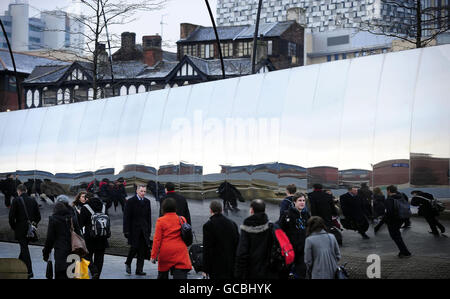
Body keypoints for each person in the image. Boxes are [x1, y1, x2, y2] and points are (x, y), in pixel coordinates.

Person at [235, 199, 279, 279]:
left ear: (251, 210)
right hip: (268, 270)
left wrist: (239, 274)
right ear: (265, 210)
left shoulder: (246, 229)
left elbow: (242, 254)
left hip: (251, 271)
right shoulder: (272, 227)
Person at [150, 197, 192, 279]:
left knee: (162, 275)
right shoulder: (182, 219)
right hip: (180, 251)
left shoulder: (160, 221)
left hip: (166, 252)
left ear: (163, 208)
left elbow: (157, 240)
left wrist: (153, 256)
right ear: (175, 208)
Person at [42, 195, 81, 279]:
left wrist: (46, 252)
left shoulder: (54, 219)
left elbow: (50, 239)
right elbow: (79, 235)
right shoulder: (73, 217)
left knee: (61, 275)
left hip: (61, 253)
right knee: (72, 275)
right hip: (73, 252)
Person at [8, 184, 41, 278]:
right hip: (30, 230)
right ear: (26, 190)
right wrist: (33, 226)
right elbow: (38, 217)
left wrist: (15, 227)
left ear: (18, 191)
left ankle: (29, 271)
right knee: (24, 248)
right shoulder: (33, 200)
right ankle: (17, 267)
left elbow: (11, 218)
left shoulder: (16, 200)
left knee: (24, 249)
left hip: (20, 229)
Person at [202, 200, 240, 279]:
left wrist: (205, 268)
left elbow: (207, 248)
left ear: (211, 210)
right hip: (230, 263)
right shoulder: (232, 223)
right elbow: (237, 243)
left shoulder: (208, 225)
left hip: (216, 265)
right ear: (221, 210)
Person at [279, 192, 310, 279]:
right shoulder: (287, 214)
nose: (302, 202)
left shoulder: (306, 214)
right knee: (286, 270)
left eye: (304, 200)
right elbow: (280, 229)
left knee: (302, 271)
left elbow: (311, 227)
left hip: (303, 247)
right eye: (300, 200)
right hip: (290, 248)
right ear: (294, 202)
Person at [79, 193, 110, 279]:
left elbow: (81, 222)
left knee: (86, 255)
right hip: (102, 237)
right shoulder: (103, 207)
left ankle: (93, 270)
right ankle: (97, 275)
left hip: (90, 237)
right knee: (99, 257)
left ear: (87, 198)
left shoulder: (85, 207)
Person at [123, 185, 152, 275]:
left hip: (144, 230)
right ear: (137, 191)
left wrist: (149, 229)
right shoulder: (131, 201)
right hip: (133, 229)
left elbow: (148, 217)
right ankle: (128, 262)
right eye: (141, 191)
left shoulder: (147, 202)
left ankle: (139, 269)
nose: (143, 193)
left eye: (144, 191)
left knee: (142, 250)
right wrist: (126, 230)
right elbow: (126, 217)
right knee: (134, 247)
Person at [384, 185, 412, 258]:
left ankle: (406, 252)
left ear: (389, 191)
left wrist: (387, 221)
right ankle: (403, 251)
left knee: (395, 236)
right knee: (397, 235)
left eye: (387, 190)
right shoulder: (402, 195)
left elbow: (389, 212)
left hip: (393, 220)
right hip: (402, 218)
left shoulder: (389, 199)